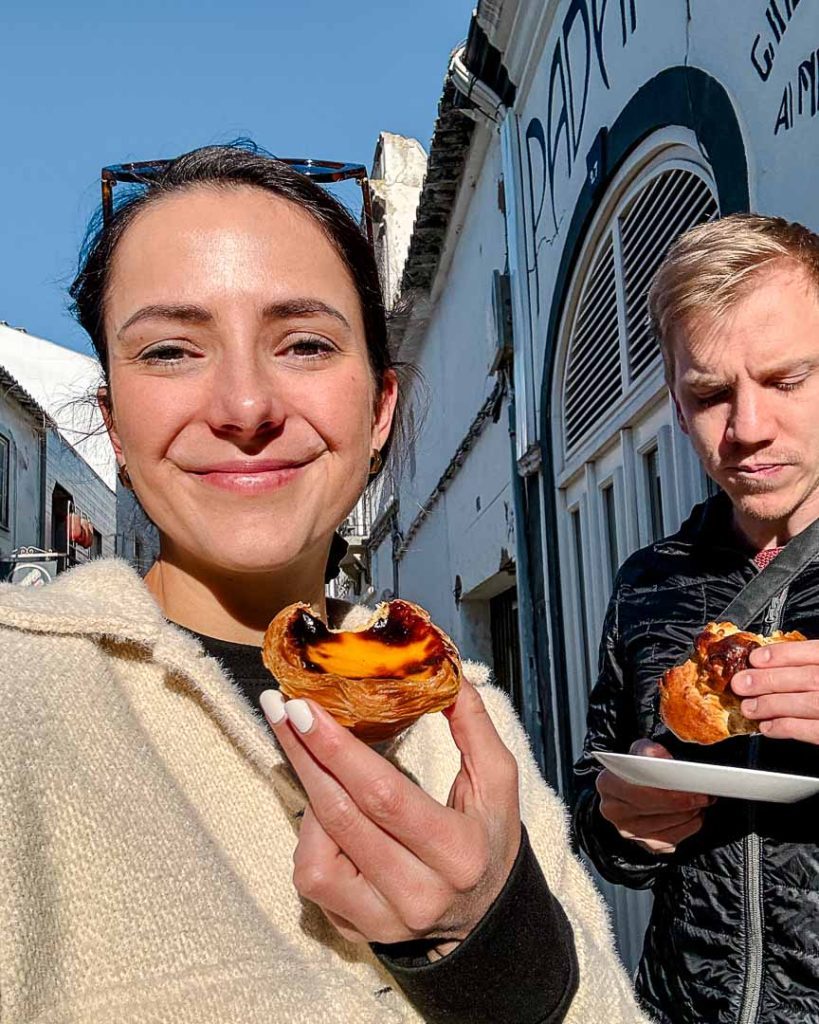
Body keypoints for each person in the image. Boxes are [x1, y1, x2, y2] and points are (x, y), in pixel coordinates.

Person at [0, 144, 646, 1024]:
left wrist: (490, 949)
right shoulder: (19, 696)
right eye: (170, 350)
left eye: (303, 343)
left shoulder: (465, 716)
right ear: (112, 419)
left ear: (378, 410)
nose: (244, 404)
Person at [573, 213, 819, 1024]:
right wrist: (623, 824)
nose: (746, 429)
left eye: (786, 380)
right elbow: (594, 816)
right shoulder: (648, 582)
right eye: (709, 394)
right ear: (675, 409)